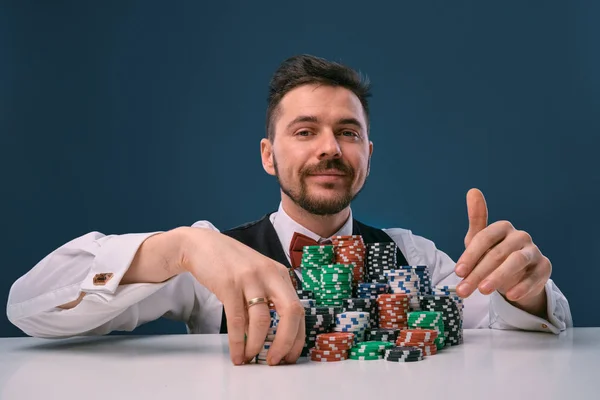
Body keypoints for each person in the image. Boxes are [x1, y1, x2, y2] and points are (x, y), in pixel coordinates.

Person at [6, 54, 572, 367]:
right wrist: (175, 246)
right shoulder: (208, 258)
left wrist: (526, 296)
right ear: (269, 155)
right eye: (306, 131)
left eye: (347, 132)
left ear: (367, 157)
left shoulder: (415, 255)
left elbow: (520, 342)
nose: (330, 147)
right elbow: (28, 307)